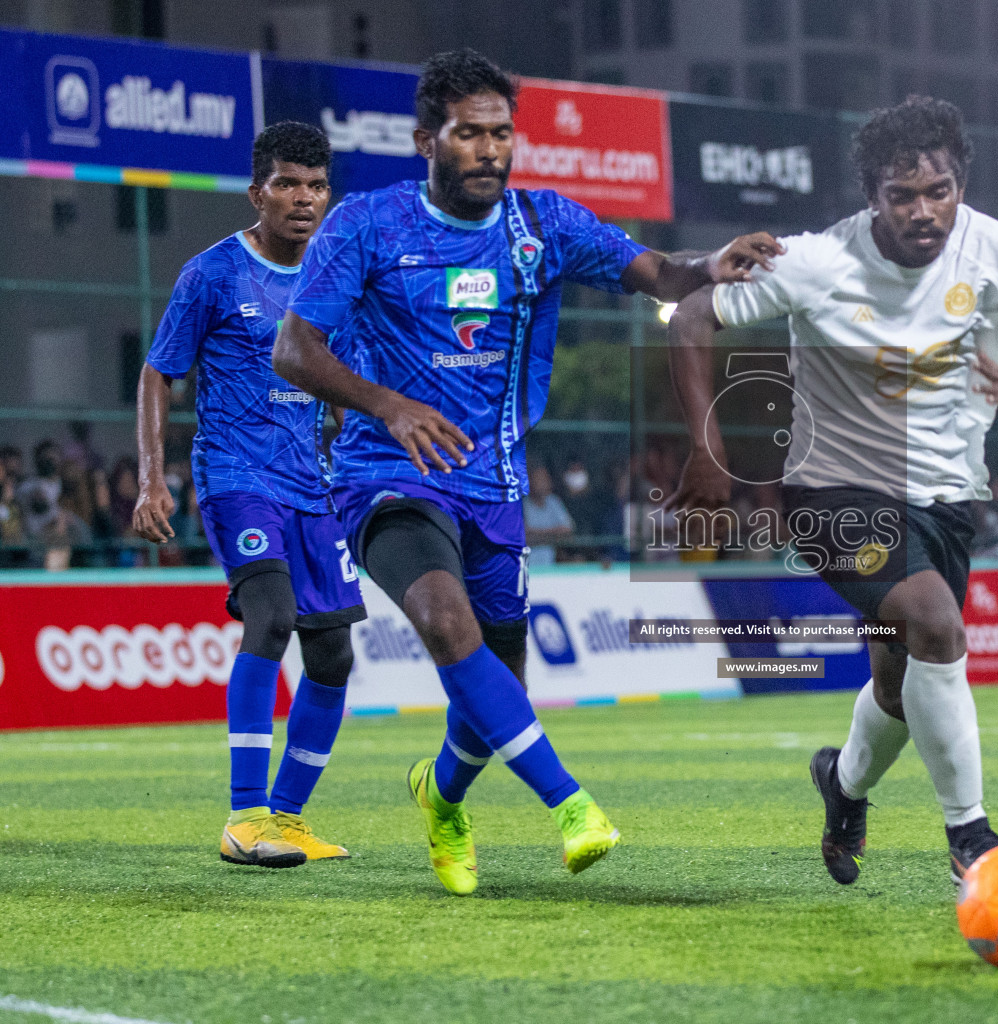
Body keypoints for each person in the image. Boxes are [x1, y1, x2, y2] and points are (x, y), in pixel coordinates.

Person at [272, 49, 781, 895]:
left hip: (495, 487)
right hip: (383, 472)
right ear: (426, 139)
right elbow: (295, 349)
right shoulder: (365, 224)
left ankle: (441, 796)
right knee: (441, 617)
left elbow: (658, 273)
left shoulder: (543, 225)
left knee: (495, 689)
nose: (489, 151)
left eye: (501, 133)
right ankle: (570, 803)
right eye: (468, 134)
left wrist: (712, 260)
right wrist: (387, 406)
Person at [666, 96, 998, 886]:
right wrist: (706, 448)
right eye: (902, 196)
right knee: (934, 623)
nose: (923, 211)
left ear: (959, 184)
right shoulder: (815, 262)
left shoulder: (994, 249)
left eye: (939, 191)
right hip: (831, 490)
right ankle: (972, 836)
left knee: (899, 683)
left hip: (946, 497)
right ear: (872, 196)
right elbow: (691, 315)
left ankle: (843, 783)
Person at [134, 121, 364, 869]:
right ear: (256, 192)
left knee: (331, 653)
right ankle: (244, 818)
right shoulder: (212, 273)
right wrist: (150, 478)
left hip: (312, 486)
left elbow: (340, 381)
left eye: (317, 185)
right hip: (236, 476)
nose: (305, 199)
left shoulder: (334, 276)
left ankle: (289, 820)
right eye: (289, 184)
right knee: (270, 618)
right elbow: (157, 372)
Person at [524, 463, 574, 566]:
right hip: (527, 566)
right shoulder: (522, 505)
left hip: (550, 566)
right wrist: (553, 535)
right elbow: (524, 536)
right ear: (529, 481)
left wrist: (537, 535)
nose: (542, 483)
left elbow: (568, 529)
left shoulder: (554, 502)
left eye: (545, 479)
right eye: (538, 478)